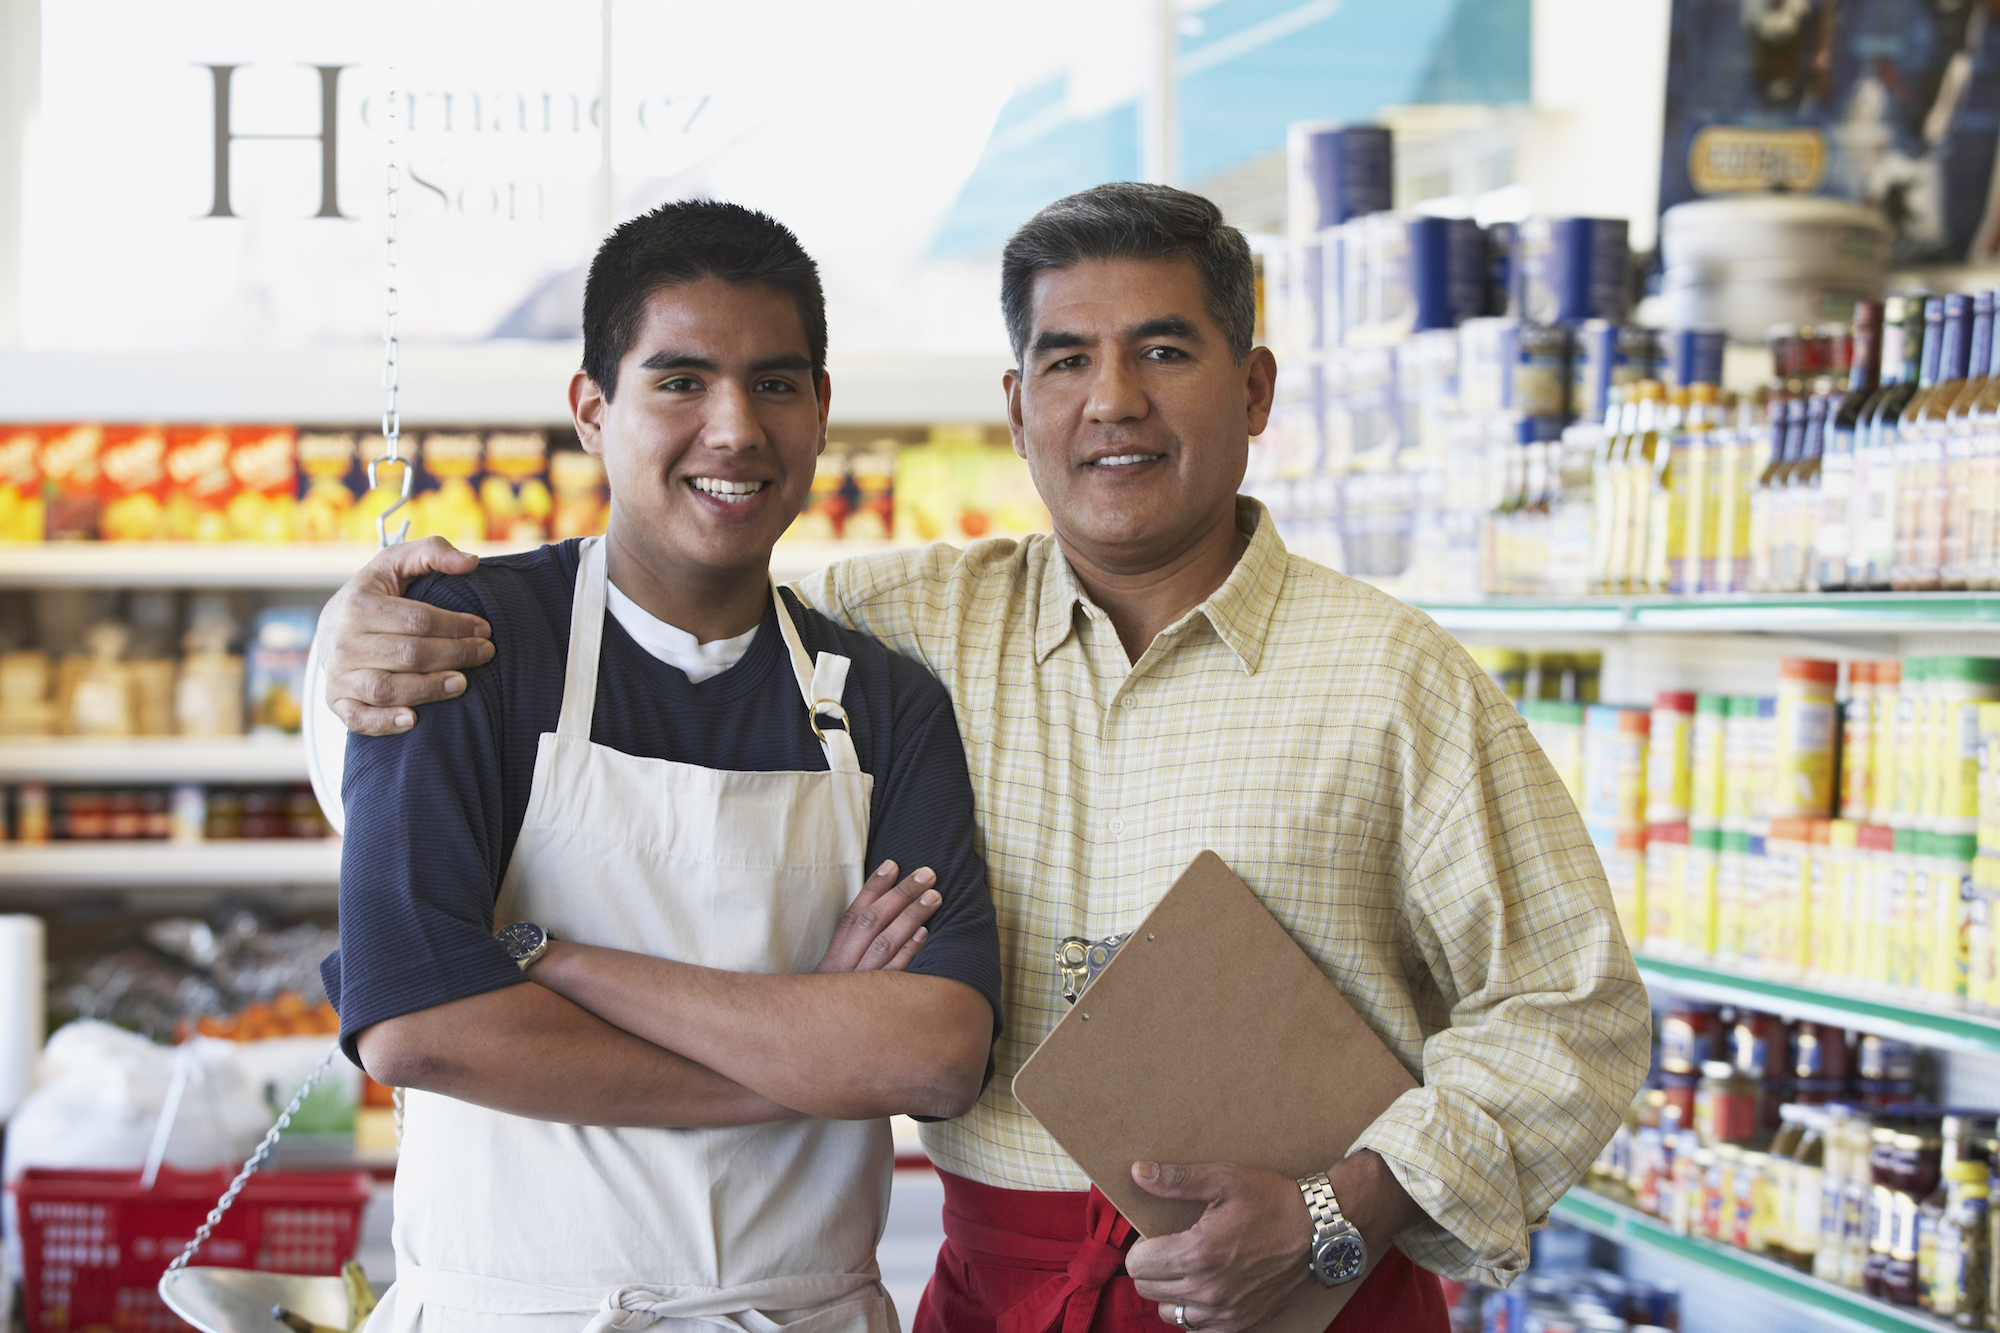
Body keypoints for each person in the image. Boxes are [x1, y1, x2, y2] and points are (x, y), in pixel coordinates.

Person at [313, 184, 1651, 1333]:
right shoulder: (903, 625)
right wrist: (351, 646)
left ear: (1253, 388)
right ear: (1017, 407)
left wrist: (1335, 1213)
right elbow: (685, 590)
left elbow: (1575, 1010)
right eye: (1066, 360)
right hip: (1000, 1288)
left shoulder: (1394, 676)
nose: (1112, 401)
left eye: (1165, 350)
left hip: (1297, 1293)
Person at [320, 200, 1002, 1333]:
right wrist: (804, 1058)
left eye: (775, 383)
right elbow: (420, 1025)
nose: (733, 428)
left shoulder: (881, 700)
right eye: (679, 381)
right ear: (592, 411)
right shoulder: (465, 646)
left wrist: (551, 960)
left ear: (822, 410)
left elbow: (931, 1054)